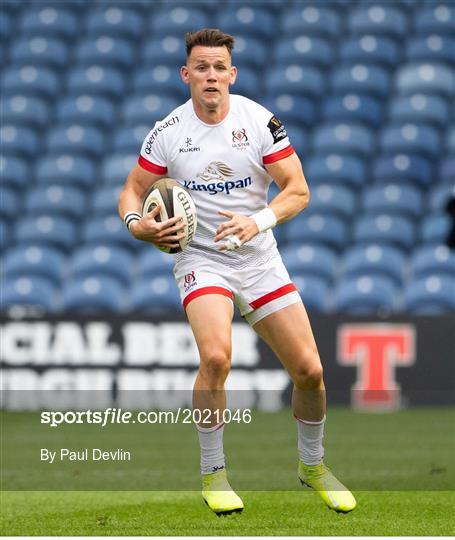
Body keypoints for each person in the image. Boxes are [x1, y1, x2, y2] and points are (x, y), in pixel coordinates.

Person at [118, 28, 356, 516]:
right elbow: (131, 190)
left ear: (232, 74)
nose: (211, 76)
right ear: (187, 75)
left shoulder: (259, 122)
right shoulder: (168, 132)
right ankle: (214, 474)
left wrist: (258, 219)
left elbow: (298, 190)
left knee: (310, 371)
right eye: (201, 68)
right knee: (217, 357)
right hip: (201, 257)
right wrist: (138, 225)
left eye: (219, 67)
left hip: (258, 256)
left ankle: (312, 466)